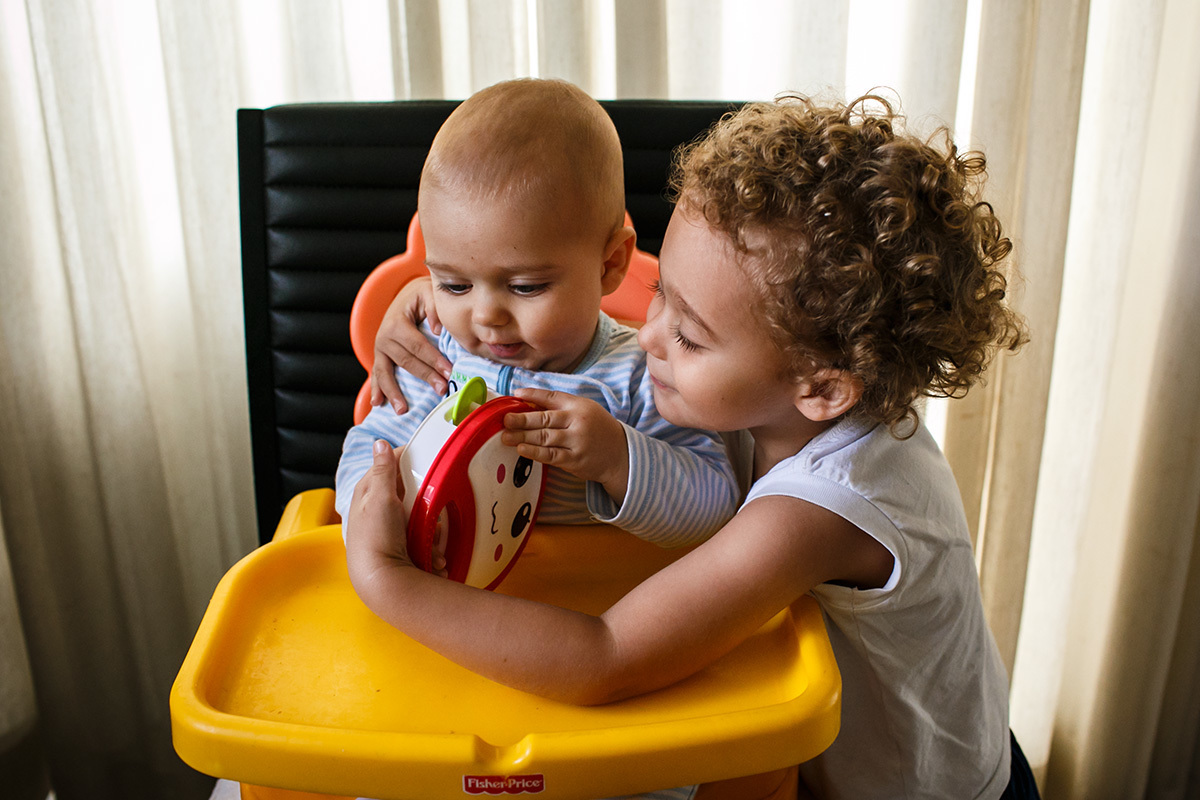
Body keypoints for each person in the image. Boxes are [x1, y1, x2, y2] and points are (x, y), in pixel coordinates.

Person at [348, 92, 1042, 799]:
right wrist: (424, 300)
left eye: (688, 334)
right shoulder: (782, 388)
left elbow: (606, 659)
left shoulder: (823, 510)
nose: (648, 334)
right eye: (660, 295)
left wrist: (386, 580)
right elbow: (566, 298)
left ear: (825, 389)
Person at [335, 78, 740, 555]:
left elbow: (717, 504)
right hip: (456, 592)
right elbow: (371, 444)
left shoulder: (644, 374)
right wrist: (383, 509)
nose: (485, 317)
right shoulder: (438, 356)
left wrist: (618, 457)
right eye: (454, 284)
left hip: (594, 604)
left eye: (525, 287)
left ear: (609, 265)